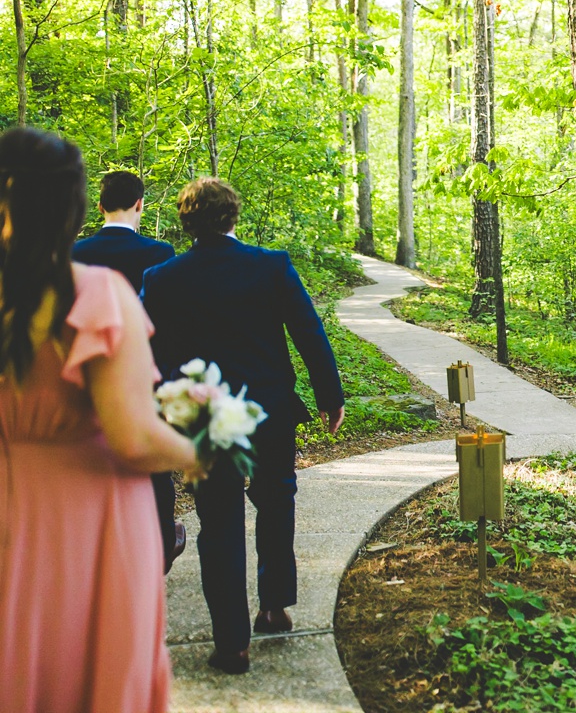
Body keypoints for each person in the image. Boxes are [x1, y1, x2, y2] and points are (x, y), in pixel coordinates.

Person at [0, 127, 199, 713]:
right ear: (70, 205)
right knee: (88, 669)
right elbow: (133, 437)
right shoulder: (95, 294)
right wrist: (205, 453)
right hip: (89, 520)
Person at [141, 178, 345, 676]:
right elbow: (307, 331)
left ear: (187, 222)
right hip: (269, 410)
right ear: (234, 217)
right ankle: (274, 605)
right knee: (277, 499)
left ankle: (232, 643)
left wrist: (161, 410)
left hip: (201, 415)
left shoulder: (162, 277)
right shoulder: (269, 265)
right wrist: (329, 396)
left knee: (219, 523)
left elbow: (153, 355)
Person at [72, 169, 185, 572]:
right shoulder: (159, 253)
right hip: (147, 372)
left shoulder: (75, 254)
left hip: (86, 374)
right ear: (140, 204)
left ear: (99, 206)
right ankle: (159, 543)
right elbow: (171, 321)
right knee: (154, 463)